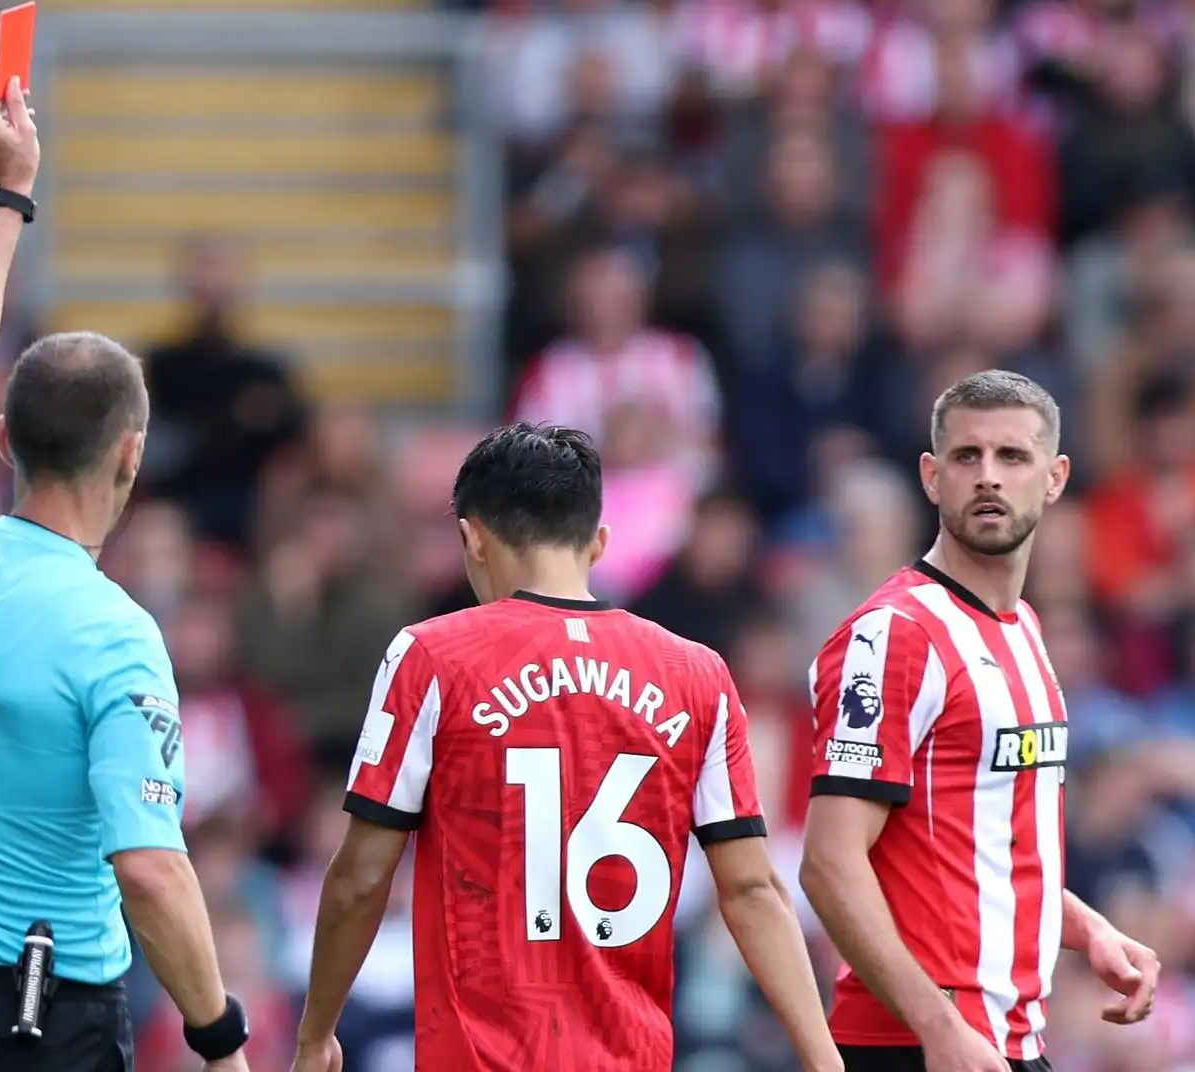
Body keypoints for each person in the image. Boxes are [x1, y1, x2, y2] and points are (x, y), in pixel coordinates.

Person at [0, 77, 249, 1072]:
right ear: (132, 456)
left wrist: (6, 201)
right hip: (47, 1024)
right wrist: (221, 1043)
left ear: (1, 438)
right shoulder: (113, 634)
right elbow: (153, 873)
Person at [289, 423, 841, 1072]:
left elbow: (361, 877)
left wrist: (315, 1034)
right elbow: (752, 891)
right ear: (598, 543)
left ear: (471, 538)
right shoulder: (699, 674)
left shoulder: (432, 658)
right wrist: (823, 1057)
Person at [798, 370, 1164, 1072]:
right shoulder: (893, 636)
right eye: (968, 457)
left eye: (1012, 457)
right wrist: (938, 1027)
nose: (988, 477)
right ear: (932, 478)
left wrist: (1088, 931)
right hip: (915, 1045)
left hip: (1002, 1041)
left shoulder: (1021, 625)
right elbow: (829, 864)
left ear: (1054, 478)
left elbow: (981, 847)